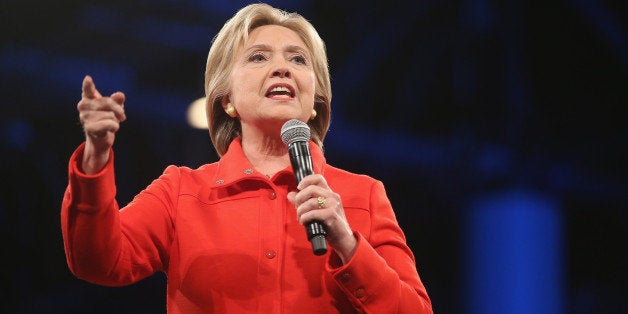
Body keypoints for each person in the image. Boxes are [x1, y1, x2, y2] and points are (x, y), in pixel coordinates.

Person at [61, 3, 432, 313]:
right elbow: (97, 262)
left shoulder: (362, 196)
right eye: (258, 57)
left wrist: (348, 244)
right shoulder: (181, 192)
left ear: (316, 104)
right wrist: (95, 158)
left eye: (299, 60)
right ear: (227, 100)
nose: (282, 67)